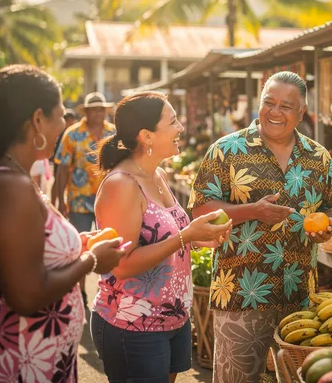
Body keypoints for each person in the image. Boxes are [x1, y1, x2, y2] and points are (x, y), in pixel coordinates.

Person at [0, 65, 125, 381]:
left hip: (23, 355)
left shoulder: (4, 176)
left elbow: (13, 258)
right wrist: (91, 260)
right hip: (12, 361)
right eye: (59, 115)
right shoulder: (8, 187)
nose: (63, 125)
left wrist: (76, 246)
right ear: (38, 119)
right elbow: (25, 296)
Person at [190, 71, 332, 383]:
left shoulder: (319, 157)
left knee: (295, 379)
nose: (275, 112)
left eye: (286, 106)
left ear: (302, 112)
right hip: (240, 294)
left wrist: (328, 228)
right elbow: (201, 209)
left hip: (299, 295)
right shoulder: (226, 150)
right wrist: (253, 211)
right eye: (269, 103)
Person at [91, 91, 231, 382]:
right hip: (133, 324)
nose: (181, 128)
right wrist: (185, 236)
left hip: (173, 318)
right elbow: (122, 265)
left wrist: (200, 238)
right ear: (147, 136)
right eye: (173, 121)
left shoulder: (158, 176)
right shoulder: (122, 184)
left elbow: (166, 239)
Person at [55, 93, 116, 305]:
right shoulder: (72, 135)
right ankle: (80, 291)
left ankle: (109, 290)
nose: (99, 113)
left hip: (108, 200)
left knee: (109, 245)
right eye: (94, 110)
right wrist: (59, 201)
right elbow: (62, 168)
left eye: (102, 109)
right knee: (80, 247)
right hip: (79, 200)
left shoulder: (113, 133)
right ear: (87, 112)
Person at [51, 109, 78, 207]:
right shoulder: (62, 133)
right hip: (59, 161)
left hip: (71, 163)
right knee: (57, 181)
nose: (70, 122)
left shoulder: (73, 133)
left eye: (72, 119)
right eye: (68, 119)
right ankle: (53, 203)